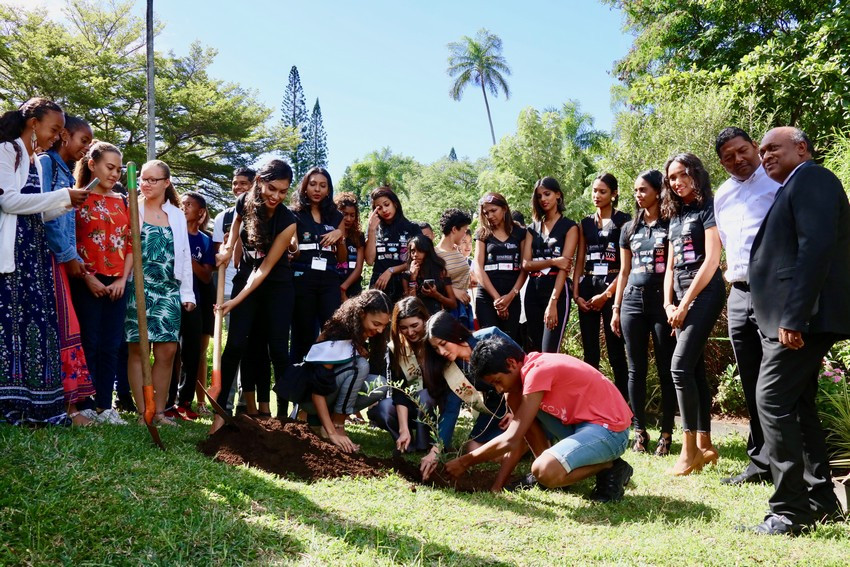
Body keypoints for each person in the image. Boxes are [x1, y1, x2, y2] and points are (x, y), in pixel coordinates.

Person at [744, 127, 849, 535]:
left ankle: (790, 511)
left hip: (801, 320)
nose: (765, 155)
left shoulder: (813, 178)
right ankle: (821, 501)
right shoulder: (793, 186)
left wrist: (794, 315)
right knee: (797, 406)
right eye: (763, 150)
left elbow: (816, 247)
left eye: (774, 148)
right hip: (791, 318)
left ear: (802, 147)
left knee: (770, 398)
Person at [444, 335, 634, 500]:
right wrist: (497, 486)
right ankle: (555, 472)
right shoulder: (518, 385)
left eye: (498, 381)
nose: (499, 389)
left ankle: (611, 466)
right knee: (540, 463)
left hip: (611, 431)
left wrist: (464, 462)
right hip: (582, 426)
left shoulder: (538, 371)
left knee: (544, 470)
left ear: (511, 363)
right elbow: (520, 435)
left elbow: (510, 439)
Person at [0, 97, 88, 425]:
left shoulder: (36, 161)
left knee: (33, 325)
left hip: (35, 253)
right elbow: (8, 201)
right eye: (54, 129)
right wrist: (61, 196)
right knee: (10, 326)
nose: (57, 136)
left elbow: (38, 208)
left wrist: (68, 203)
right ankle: (9, 403)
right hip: (14, 250)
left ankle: (34, 402)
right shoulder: (7, 151)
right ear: (33, 122)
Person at [209, 159, 298, 434]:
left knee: (279, 351)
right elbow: (233, 236)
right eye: (272, 188)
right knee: (235, 345)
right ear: (259, 180)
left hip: (276, 285)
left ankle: (285, 421)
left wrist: (235, 302)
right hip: (244, 275)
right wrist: (226, 250)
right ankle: (221, 413)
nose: (276, 196)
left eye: (282, 191)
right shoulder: (243, 202)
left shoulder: (288, 221)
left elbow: (265, 269)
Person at [713, 127, 780, 485]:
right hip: (738, 293)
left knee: (779, 379)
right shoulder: (722, 195)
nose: (738, 160)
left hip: (774, 292)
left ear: (755, 147)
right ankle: (760, 462)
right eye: (728, 157)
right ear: (721, 163)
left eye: (742, 151)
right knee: (752, 377)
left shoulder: (778, 183)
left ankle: (789, 458)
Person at [661, 153, 725, 475]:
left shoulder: (708, 206)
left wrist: (684, 304)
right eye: (671, 178)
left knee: (679, 367)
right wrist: (668, 304)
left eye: (682, 175)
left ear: (695, 174)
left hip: (706, 293)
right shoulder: (674, 215)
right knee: (694, 367)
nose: (677, 182)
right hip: (681, 299)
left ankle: (689, 453)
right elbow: (670, 265)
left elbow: (712, 259)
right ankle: (705, 445)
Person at [610, 170, 677, 455]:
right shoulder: (629, 228)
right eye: (635, 190)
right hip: (631, 302)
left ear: (658, 191)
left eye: (643, 190)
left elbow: (672, 268)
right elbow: (624, 270)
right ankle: (639, 431)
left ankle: (666, 433)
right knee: (635, 369)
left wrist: (671, 304)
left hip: (662, 303)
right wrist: (616, 308)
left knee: (666, 368)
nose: (638, 195)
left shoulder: (671, 222)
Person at [125, 160, 195, 426]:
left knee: (166, 351)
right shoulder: (133, 207)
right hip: (138, 287)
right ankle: (146, 412)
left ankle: (161, 411)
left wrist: (187, 294)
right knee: (138, 350)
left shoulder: (176, 215)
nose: (146, 184)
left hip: (168, 289)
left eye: (153, 180)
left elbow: (185, 256)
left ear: (166, 183)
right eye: (143, 179)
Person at [39, 115, 96, 426]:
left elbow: (65, 221)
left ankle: (68, 407)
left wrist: (74, 256)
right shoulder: (46, 163)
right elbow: (45, 215)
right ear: (63, 135)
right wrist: (67, 255)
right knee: (61, 328)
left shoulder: (64, 172)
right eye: (83, 141)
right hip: (47, 258)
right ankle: (67, 409)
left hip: (60, 258)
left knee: (66, 327)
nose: (85, 149)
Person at [423, 311, 515, 480]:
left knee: (506, 444)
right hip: (497, 405)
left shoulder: (490, 336)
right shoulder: (452, 367)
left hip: (520, 399)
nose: (441, 351)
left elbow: (522, 367)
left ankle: (527, 441)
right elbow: (451, 410)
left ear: (454, 334)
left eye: (443, 343)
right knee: (473, 449)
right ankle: (518, 445)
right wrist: (435, 450)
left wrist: (515, 410)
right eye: (436, 348)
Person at [304, 290, 393, 452]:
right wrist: (332, 432)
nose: (380, 330)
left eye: (384, 325)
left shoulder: (366, 335)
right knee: (360, 365)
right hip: (311, 399)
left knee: (380, 384)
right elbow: (317, 390)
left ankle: (331, 422)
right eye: (376, 324)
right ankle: (335, 426)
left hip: (333, 393)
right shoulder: (337, 332)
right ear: (361, 314)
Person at [573, 173, 630, 400]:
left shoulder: (624, 221)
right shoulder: (585, 223)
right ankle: (592, 401)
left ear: (614, 194)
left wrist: (607, 295)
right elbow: (580, 258)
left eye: (602, 191)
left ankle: (624, 401)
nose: (596, 195)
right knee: (590, 351)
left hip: (613, 286)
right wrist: (576, 292)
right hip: (587, 286)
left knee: (616, 350)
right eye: (594, 191)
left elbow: (629, 263)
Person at [165, 191, 214, 420]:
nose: (183, 207)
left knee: (192, 352)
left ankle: (186, 401)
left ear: (201, 212)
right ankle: (168, 401)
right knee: (170, 351)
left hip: (195, 303)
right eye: (181, 204)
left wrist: (188, 258)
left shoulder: (205, 240)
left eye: (189, 205)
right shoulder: (171, 232)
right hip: (170, 299)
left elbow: (206, 276)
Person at [211, 166, 256, 413]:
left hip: (252, 288)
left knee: (251, 346)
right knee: (231, 345)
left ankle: (244, 400)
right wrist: (227, 247)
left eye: (243, 184)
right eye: (235, 183)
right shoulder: (224, 217)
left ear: (253, 185)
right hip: (227, 288)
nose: (238, 188)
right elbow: (219, 252)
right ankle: (224, 402)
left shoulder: (264, 215)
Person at [290, 167, 346, 362]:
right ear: (305, 187)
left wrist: (339, 236)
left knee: (332, 330)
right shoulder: (294, 214)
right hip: (302, 277)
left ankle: (327, 380)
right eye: (312, 184)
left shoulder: (336, 216)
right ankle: (297, 384)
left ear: (329, 190)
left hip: (329, 279)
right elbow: (293, 251)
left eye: (323, 185)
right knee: (303, 333)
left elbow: (341, 258)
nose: (317, 189)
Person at [367, 297, 434, 451]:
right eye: (404, 328)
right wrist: (403, 428)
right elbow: (400, 391)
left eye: (415, 325)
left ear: (425, 319)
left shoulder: (436, 342)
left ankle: (425, 443)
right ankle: (405, 442)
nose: (410, 332)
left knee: (424, 395)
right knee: (382, 409)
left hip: (434, 405)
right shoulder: (397, 348)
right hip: (410, 405)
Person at [522, 177, 578, 353]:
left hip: (557, 291)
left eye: (547, 194)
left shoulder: (570, 227)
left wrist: (553, 302)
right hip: (532, 291)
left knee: (549, 351)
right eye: (539, 196)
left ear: (558, 195)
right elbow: (526, 264)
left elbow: (565, 266)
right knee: (537, 351)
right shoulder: (532, 228)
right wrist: (553, 261)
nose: (543, 199)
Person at [474, 192, 529, 343]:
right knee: (490, 344)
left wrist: (510, 296)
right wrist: (497, 299)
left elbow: (525, 267)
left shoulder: (520, 232)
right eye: (486, 213)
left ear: (504, 209)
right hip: (487, 298)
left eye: (493, 211)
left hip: (512, 296)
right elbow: (478, 267)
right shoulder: (482, 233)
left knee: (509, 344)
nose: (490, 216)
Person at [365, 186, 422, 303]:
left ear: (395, 204)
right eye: (379, 208)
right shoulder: (374, 229)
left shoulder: (412, 228)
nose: (384, 210)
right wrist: (371, 230)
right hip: (379, 283)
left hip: (405, 282)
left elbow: (418, 259)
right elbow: (370, 261)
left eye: (387, 204)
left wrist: (391, 270)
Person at [435, 208, 473, 329]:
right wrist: (454, 291)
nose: (464, 235)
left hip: (463, 307)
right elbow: (431, 281)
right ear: (454, 229)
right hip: (447, 309)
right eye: (464, 230)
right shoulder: (435, 254)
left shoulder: (457, 251)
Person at [402, 234, 456, 315]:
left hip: (438, 318)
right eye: (413, 251)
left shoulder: (441, 272)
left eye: (420, 250)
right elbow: (411, 305)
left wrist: (436, 295)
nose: (415, 255)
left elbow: (453, 304)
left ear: (427, 252)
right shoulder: (406, 275)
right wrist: (413, 278)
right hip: (419, 319)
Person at [335, 191, 364, 301]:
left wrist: (343, 288)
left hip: (353, 287)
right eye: (344, 214)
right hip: (332, 286)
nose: (349, 219)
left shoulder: (358, 236)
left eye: (352, 215)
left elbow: (359, 267)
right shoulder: (330, 232)